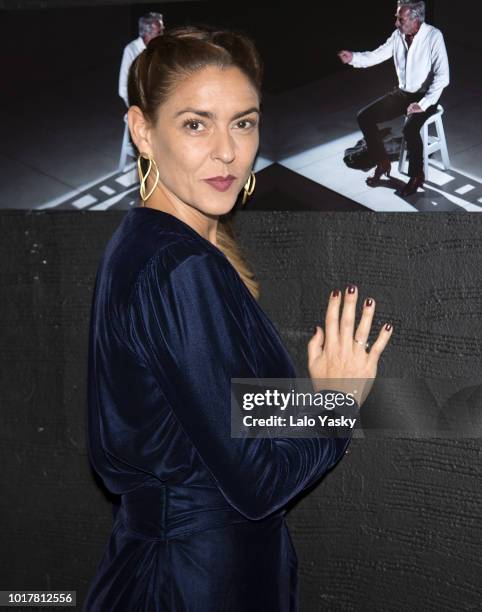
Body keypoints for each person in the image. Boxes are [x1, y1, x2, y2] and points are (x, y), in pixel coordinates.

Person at [83, 26, 393, 611]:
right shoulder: (179, 267)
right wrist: (339, 402)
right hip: (197, 583)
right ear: (142, 132)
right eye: (195, 123)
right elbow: (256, 483)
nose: (226, 150)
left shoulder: (149, 244)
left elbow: (213, 421)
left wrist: (314, 397)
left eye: (243, 122)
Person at [338, 1, 450, 196]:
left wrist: (422, 104)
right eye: (397, 18)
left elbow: (443, 77)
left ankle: (417, 175)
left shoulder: (433, 36)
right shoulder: (398, 35)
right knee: (364, 117)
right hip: (403, 93)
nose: (396, 23)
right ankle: (382, 162)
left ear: (416, 19)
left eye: (401, 19)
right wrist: (353, 58)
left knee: (410, 128)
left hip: (427, 96)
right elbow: (377, 55)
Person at [118, 12, 165, 107]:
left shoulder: (160, 49)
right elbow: (123, 88)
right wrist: (138, 108)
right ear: (147, 34)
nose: (162, 35)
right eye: (159, 32)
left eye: (162, 30)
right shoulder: (131, 50)